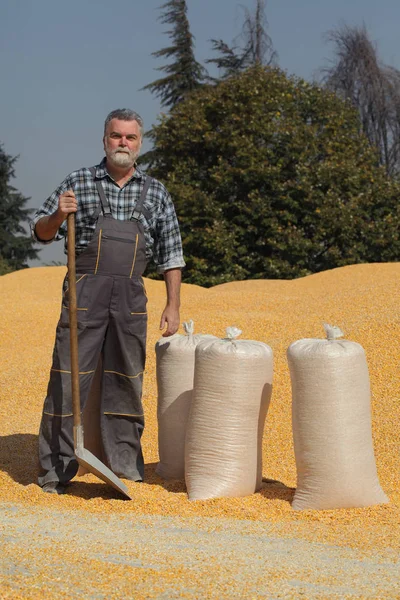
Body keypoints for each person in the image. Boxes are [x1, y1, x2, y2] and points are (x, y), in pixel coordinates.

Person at [31, 108, 185, 494]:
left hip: (131, 297)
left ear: (139, 144)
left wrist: (173, 304)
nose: (122, 143)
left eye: (130, 138)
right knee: (68, 378)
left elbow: (172, 253)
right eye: (116, 136)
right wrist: (57, 214)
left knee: (126, 379)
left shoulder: (156, 192)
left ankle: (124, 467)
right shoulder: (78, 182)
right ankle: (55, 469)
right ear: (104, 140)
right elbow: (40, 231)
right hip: (84, 294)